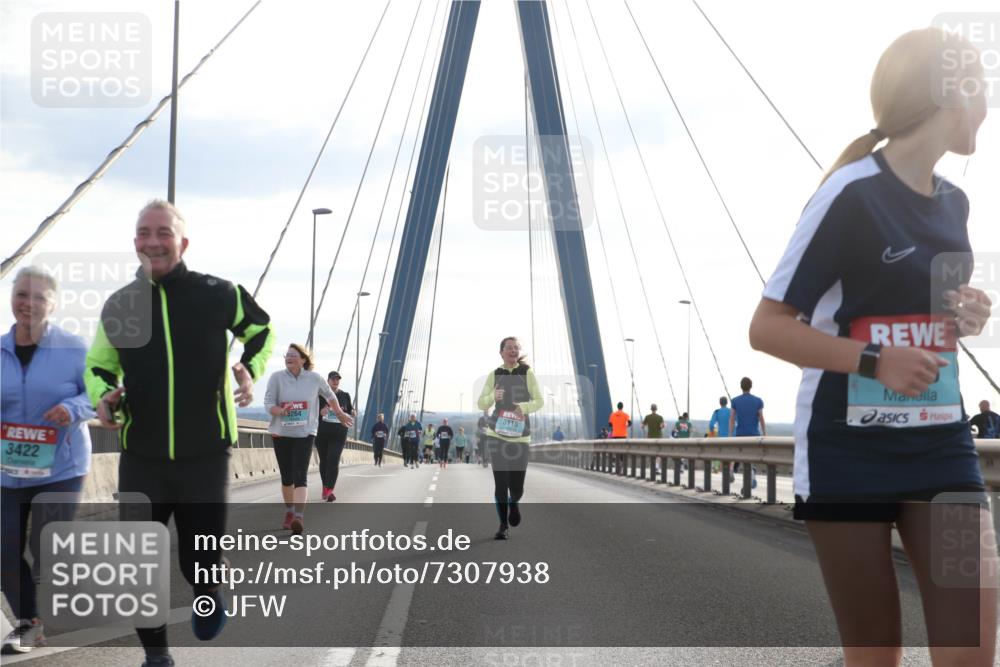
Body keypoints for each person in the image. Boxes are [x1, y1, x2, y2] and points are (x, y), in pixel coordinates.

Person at [749, 28, 995, 665]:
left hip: (941, 445)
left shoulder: (956, 203)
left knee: (971, 649)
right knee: (875, 654)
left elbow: (929, 315)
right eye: (984, 89)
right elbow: (767, 326)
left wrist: (966, 316)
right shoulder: (851, 192)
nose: (990, 106)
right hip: (847, 452)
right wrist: (873, 361)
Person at [84, 199, 275, 666]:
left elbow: (262, 331)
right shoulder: (121, 305)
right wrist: (104, 396)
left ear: (182, 242)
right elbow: (98, 366)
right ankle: (157, 657)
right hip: (142, 455)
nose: (153, 241)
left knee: (199, 561)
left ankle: (208, 587)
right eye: (144, 233)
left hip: (204, 456)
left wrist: (249, 369)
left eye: (163, 233)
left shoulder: (218, 293)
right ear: (135, 243)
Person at [2, 267, 93, 654]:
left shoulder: (73, 348)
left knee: (47, 549)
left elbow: (101, 396)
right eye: (22, 294)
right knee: (4, 550)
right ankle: (28, 623)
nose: (29, 303)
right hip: (8, 467)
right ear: (11, 298)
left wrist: (72, 407)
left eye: (39, 297)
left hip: (61, 466)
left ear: (53, 304)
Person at [265, 345, 351, 529]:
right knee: (287, 478)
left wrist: (341, 413)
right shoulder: (276, 378)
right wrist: (279, 410)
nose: (289, 358)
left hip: (305, 433)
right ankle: (289, 511)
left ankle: (298, 517)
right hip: (281, 433)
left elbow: (330, 396)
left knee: (300, 475)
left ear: (303, 359)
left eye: (293, 355)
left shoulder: (315, 379)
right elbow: (268, 403)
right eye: (286, 355)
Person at [477, 336, 543, 540]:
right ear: (502, 352)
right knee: (500, 483)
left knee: (517, 486)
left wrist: (522, 407)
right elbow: (481, 403)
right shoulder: (494, 374)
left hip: (521, 438)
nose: (513, 351)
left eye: (516, 348)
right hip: (497, 435)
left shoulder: (527, 373)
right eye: (509, 348)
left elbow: (539, 401)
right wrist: (492, 398)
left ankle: (514, 501)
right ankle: (503, 525)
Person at [316, 370, 355, 501]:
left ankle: (329, 490)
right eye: (333, 379)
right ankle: (325, 487)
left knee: (333, 459)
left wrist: (353, 412)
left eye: (337, 379)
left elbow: (349, 410)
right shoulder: (320, 396)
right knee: (324, 461)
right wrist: (321, 412)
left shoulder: (345, 395)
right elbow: (312, 413)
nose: (335, 381)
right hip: (322, 433)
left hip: (339, 433)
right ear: (328, 381)